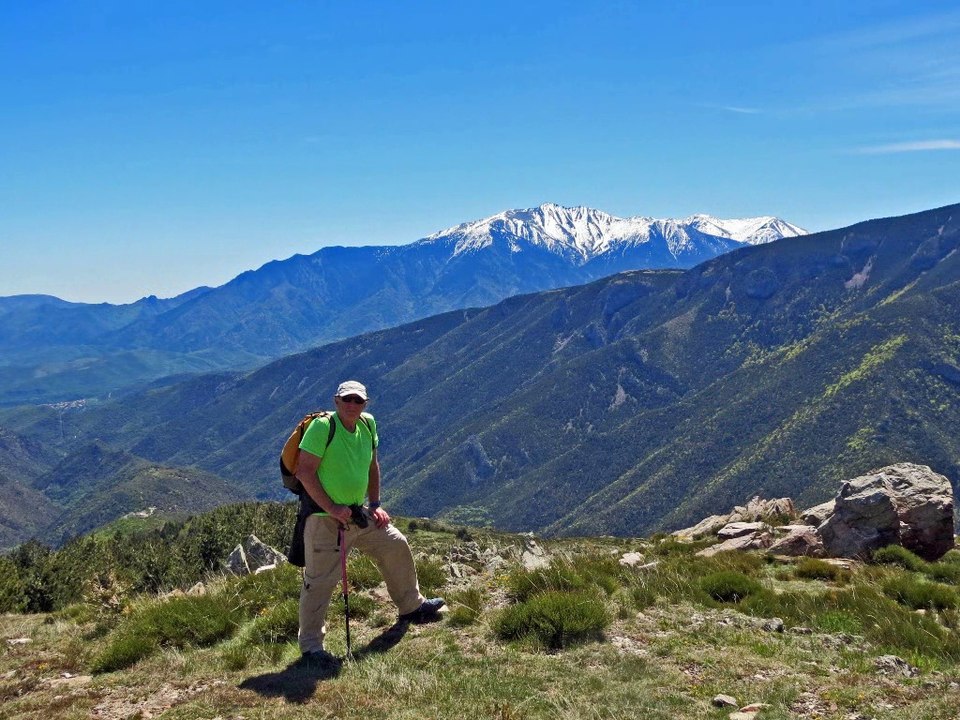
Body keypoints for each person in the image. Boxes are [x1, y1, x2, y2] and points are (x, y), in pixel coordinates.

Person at [294, 379, 444, 660]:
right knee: (320, 580)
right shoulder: (322, 427)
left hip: (357, 514)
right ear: (336, 401)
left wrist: (375, 505)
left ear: (366, 404)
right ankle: (312, 647)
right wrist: (332, 507)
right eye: (347, 400)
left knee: (395, 544)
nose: (352, 405)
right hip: (325, 519)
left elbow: (372, 466)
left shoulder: (368, 424)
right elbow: (304, 472)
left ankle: (411, 606)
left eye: (358, 401)